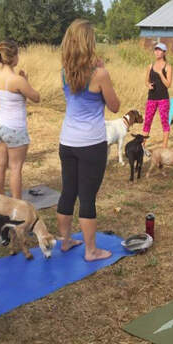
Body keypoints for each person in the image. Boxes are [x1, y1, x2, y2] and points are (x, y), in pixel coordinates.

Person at [56, 19, 121, 261]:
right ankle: (91, 250)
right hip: (91, 143)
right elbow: (115, 107)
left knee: (68, 192)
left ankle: (65, 241)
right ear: (89, 43)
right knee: (87, 197)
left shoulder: (64, 71)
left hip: (67, 141)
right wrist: (102, 73)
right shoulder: (99, 74)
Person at [0, 40, 40, 198]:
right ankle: (16, 204)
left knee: (0, 163)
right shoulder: (18, 80)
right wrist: (26, 80)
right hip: (15, 128)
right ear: (13, 57)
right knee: (16, 167)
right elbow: (36, 97)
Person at [142, 42, 172, 148]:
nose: (157, 52)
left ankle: (164, 147)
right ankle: (142, 145)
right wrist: (148, 85)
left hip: (163, 98)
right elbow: (146, 81)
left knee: (164, 122)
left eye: (160, 50)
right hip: (152, 98)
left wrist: (160, 73)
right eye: (156, 50)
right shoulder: (150, 66)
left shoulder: (168, 67)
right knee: (147, 121)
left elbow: (168, 84)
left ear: (164, 53)